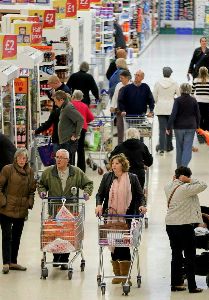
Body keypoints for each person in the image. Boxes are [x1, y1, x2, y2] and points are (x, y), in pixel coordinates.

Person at [95, 154, 146, 284]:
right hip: (110, 217)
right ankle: (118, 274)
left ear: (123, 165)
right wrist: (99, 205)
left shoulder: (132, 178)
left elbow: (140, 196)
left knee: (123, 245)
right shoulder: (107, 177)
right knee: (113, 243)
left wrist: (141, 206)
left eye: (117, 163)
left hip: (127, 217)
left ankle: (125, 276)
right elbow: (99, 194)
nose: (113, 165)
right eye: (112, 163)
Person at [38, 149, 93, 270]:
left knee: (67, 234)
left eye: (61, 157)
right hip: (54, 209)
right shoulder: (49, 172)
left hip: (70, 210)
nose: (58, 159)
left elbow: (88, 184)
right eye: (56, 157)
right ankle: (56, 257)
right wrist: (42, 192)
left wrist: (87, 193)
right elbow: (41, 184)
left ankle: (64, 259)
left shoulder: (76, 172)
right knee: (55, 233)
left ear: (67, 160)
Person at [165, 166, 207, 293]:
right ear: (186, 177)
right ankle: (192, 286)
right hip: (184, 226)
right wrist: (189, 180)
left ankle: (176, 284)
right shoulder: (186, 188)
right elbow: (203, 185)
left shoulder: (168, 186)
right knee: (190, 256)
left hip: (170, 225)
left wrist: (178, 179)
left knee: (176, 255)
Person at [0, 148, 36, 274]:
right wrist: (3, 202)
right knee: (6, 235)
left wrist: (29, 202)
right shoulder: (7, 169)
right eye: (20, 158)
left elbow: (32, 189)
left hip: (21, 210)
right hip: (6, 210)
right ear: (15, 158)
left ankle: (13, 262)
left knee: (16, 236)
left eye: (24, 158)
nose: (22, 160)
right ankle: (6, 262)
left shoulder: (30, 172)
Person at [166, 83, 200, 168]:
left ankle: (179, 167)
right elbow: (198, 114)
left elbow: (173, 114)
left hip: (178, 127)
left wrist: (168, 127)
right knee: (187, 148)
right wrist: (198, 126)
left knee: (179, 148)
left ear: (180, 90)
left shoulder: (177, 100)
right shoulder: (193, 100)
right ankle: (184, 167)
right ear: (190, 90)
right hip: (191, 127)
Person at [153, 67, 180, 155]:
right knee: (169, 128)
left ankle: (161, 148)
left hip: (160, 108)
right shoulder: (174, 83)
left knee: (162, 129)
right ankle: (169, 146)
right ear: (170, 74)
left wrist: (159, 102)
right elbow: (179, 96)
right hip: (171, 108)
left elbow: (154, 97)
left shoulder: (158, 83)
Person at [53, 90, 84, 165]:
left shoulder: (68, 108)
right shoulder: (64, 107)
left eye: (56, 101)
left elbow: (80, 119)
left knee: (68, 164)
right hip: (65, 141)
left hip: (68, 142)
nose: (55, 103)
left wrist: (76, 135)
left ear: (61, 100)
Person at [71, 90, 94, 172]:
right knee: (80, 149)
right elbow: (91, 117)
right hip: (82, 128)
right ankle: (81, 169)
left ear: (73, 96)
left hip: (72, 129)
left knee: (71, 148)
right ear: (81, 97)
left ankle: (71, 168)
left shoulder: (70, 104)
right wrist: (85, 121)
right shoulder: (84, 106)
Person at [191, 66, 209, 132]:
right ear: (207, 72)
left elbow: (192, 93)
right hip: (208, 102)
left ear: (199, 72)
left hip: (198, 102)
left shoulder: (195, 80)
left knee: (200, 117)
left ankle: (200, 134)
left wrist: (195, 99)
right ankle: (208, 134)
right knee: (207, 118)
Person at [111, 70, 132, 144]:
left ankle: (128, 143)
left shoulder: (131, 86)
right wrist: (112, 106)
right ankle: (120, 144)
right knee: (120, 127)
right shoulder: (118, 85)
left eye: (122, 78)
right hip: (119, 110)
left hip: (129, 111)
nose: (121, 79)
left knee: (128, 128)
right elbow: (115, 96)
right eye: (120, 78)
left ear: (127, 78)